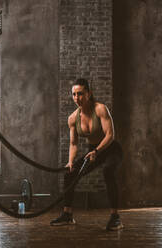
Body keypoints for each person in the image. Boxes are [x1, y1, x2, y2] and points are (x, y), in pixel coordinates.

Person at [50, 78, 123, 231]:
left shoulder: (100, 109)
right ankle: (68, 215)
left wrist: (97, 150)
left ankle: (115, 217)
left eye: (81, 94)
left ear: (89, 94)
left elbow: (110, 135)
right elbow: (73, 143)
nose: (77, 98)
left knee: (108, 170)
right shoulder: (72, 118)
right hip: (93, 151)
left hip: (110, 149)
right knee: (69, 174)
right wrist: (70, 161)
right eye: (74, 94)